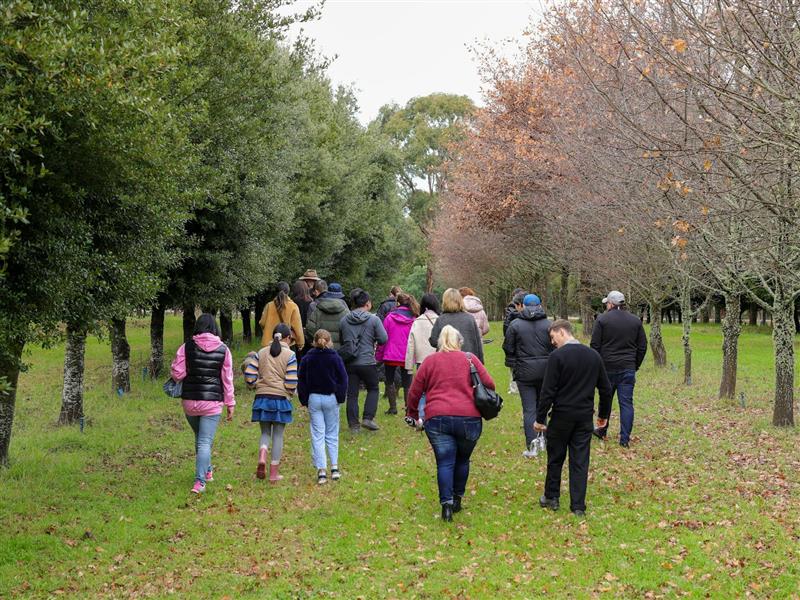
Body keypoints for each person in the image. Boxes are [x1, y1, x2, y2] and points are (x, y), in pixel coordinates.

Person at [407, 325, 495, 522]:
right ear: (459, 341)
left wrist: (412, 413)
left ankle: (445, 505)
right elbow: (490, 383)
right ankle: (457, 498)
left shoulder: (430, 362)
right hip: (469, 418)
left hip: (437, 418)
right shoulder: (470, 359)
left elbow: (414, 391)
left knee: (445, 462)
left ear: (439, 342)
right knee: (463, 460)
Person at [534, 320, 612, 516]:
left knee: (555, 457)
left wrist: (540, 418)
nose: (552, 342)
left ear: (562, 332)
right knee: (580, 461)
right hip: (584, 416)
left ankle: (551, 497)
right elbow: (606, 389)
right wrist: (603, 415)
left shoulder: (557, 357)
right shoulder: (593, 356)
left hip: (562, 415)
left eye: (553, 337)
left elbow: (548, 391)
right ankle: (578, 505)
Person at [171, 314, 235, 494]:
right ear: (215, 328)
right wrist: (230, 403)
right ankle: (200, 482)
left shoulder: (186, 347)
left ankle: (207, 471)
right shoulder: (224, 350)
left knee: (200, 438)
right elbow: (227, 379)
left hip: (190, 402)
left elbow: (177, 374)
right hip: (212, 403)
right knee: (204, 441)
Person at [589, 290, 647, 448]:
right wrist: (635, 364)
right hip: (628, 367)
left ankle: (602, 430)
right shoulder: (635, 321)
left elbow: (595, 345)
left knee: (605, 400)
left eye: (606, 303)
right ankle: (625, 439)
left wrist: (597, 365)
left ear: (610, 304)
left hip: (607, 367)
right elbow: (642, 346)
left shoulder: (602, 319)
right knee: (626, 403)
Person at [503, 293, 553, 454]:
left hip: (524, 372)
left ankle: (532, 445)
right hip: (546, 371)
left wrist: (514, 363)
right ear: (540, 306)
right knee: (542, 407)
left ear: (523, 306)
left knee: (529, 409)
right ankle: (543, 440)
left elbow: (508, 347)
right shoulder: (549, 324)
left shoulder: (515, 325)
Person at [298, 329, 348, 484]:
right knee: (332, 433)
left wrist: (304, 399)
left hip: (314, 398)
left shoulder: (307, 358)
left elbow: (302, 380)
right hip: (330, 397)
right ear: (330, 341)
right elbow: (343, 378)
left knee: (317, 434)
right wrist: (339, 396)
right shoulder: (335, 358)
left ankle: (321, 470)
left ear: (314, 341)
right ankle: (334, 467)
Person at [252, 323, 298, 483]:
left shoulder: (261, 352)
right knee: (278, 435)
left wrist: (255, 384)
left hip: (262, 397)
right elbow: (292, 382)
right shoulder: (290, 355)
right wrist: (289, 392)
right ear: (287, 338)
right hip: (280, 399)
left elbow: (250, 375)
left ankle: (263, 453)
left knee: (265, 433)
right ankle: (273, 474)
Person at [339, 290, 388, 433]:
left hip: (350, 362)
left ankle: (354, 425)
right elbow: (383, 339)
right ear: (368, 303)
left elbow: (343, 341)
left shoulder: (344, 320)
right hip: (367, 361)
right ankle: (368, 418)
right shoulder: (374, 320)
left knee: (352, 394)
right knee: (373, 388)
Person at [376, 292, 419, 414]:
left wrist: (379, 355)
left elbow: (383, 338)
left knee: (389, 381)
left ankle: (393, 408)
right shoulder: (414, 319)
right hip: (407, 356)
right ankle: (408, 408)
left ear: (397, 303)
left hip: (390, 355)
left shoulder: (389, 318)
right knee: (407, 383)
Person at [405, 293, 440, 426]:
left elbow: (410, 344)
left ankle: (421, 417)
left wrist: (408, 366)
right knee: (436, 388)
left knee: (422, 390)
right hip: (437, 360)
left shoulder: (417, 321)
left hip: (421, 361)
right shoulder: (440, 320)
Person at [428, 288, 484, 363]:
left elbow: (434, 341)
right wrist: (480, 364)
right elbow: (478, 344)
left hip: (446, 362)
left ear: (445, 301)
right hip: (467, 361)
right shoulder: (470, 319)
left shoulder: (440, 320)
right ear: (460, 300)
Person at [259, 281, 305, 350]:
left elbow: (262, 323)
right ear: (288, 292)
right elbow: (297, 327)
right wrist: (300, 343)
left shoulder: (269, 305)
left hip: (269, 344)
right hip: (286, 344)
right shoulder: (293, 306)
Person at [306, 281, 350, 348]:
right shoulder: (345, 310)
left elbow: (310, 329)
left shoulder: (318, 308)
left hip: (321, 349)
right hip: (340, 350)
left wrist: (317, 343)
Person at [503, 290, 527, 395]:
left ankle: (514, 389)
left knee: (514, 368)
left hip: (515, 344)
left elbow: (506, 329)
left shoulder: (511, 312)